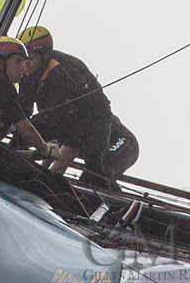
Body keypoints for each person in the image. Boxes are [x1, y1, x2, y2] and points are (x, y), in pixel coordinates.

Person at [0, 37, 84, 215]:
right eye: (18, 61)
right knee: (46, 181)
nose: (23, 67)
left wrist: (33, 154)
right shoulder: (1, 84)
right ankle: (82, 220)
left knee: (47, 178)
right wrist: (45, 149)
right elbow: (25, 129)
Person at [16, 25, 139, 189]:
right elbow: (25, 119)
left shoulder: (64, 72)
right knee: (25, 133)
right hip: (70, 127)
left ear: (44, 55)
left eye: (30, 59)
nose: (26, 65)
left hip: (120, 142)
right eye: (22, 60)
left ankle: (107, 201)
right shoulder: (27, 75)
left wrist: (44, 179)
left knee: (95, 172)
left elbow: (68, 146)